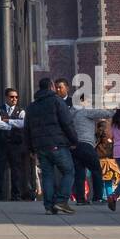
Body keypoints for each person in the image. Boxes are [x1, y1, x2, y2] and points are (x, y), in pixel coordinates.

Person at [24, 77, 78, 215]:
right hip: (57, 144)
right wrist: (74, 141)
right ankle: (61, 201)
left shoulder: (32, 106)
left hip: (40, 147)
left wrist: (30, 148)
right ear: (51, 86)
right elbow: (67, 123)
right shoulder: (57, 101)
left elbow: (27, 129)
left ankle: (49, 206)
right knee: (69, 171)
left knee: (47, 175)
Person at [54, 78, 112, 205]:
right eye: (89, 100)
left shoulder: (69, 113)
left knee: (79, 173)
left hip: (73, 147)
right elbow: (104, 113)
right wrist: (116, 111)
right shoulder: (85, 111)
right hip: (86, 145)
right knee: (96, 170)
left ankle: (80, 199)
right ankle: (97, 197)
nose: (90, 103)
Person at [0, 88, 29, 200]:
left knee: (16, 170)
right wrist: (13, 125)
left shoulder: (21, 110)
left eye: (16, 97)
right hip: (1, 144)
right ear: (6, 97)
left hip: (16, 145)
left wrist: (8, 121)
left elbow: (23, 123)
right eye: (12, 97)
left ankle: (16, 195)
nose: (14, 99)